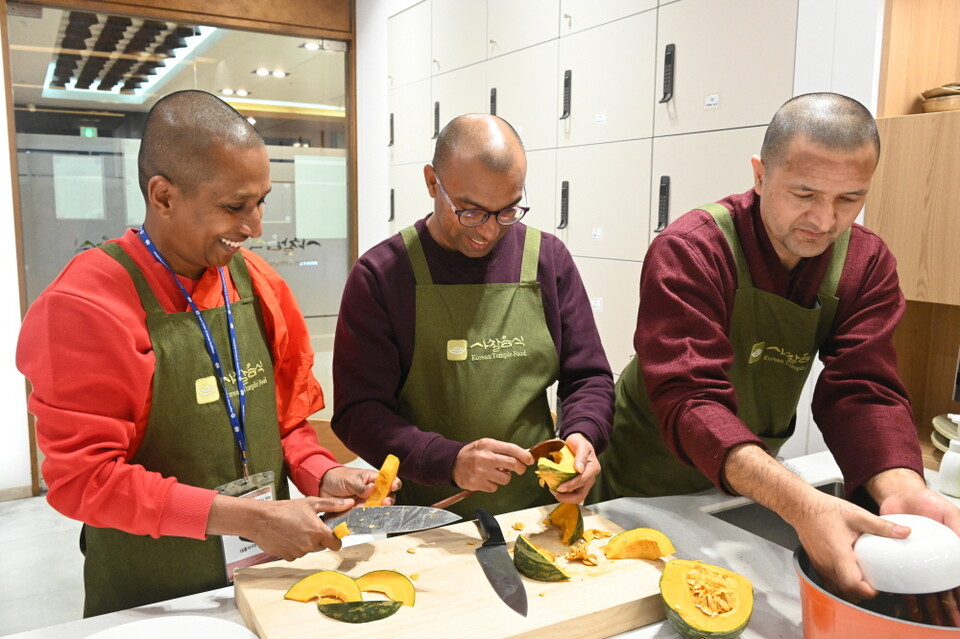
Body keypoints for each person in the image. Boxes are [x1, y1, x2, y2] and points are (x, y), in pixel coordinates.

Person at [16, 90, 397, 617]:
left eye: (261, 200)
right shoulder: (84, 306)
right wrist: (250, 518)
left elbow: (286, 424)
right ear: (163, 195)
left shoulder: (256, 283)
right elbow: (84, 480)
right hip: (152, 596)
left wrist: (322, 473)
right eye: (235, 206)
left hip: (266, 574)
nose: (256, 226)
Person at [597, 93, 960, 605]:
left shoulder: (865, 264)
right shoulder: (692, 250)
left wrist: (901, 488)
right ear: (761, 175)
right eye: (804, 193)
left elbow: (864, 390)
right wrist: (803, 505)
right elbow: (690, 400)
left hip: (751, 479)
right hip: (644, 478)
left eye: (849, 199)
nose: (824, 219)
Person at [332, 113, 614, 517]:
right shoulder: (382, 276)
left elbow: (588, 376)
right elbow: (359, 413)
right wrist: (449, 459)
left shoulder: (548, 261)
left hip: (535, 512)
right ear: (432, 182)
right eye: (470, 211)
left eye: (507, 211)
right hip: (427, 516)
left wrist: (584, 433)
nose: (488, 231)